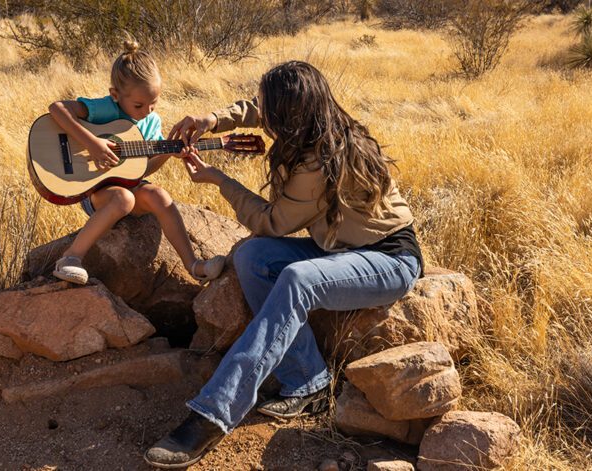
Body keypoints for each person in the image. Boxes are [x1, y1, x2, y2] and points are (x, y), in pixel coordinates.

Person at [144, 60, 424, 468]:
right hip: (340, 250)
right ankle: (308, 381)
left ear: (289, 116)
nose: (264, 116)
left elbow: (270, 222)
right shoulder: (316, 121)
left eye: (271, 110)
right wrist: (211, 119)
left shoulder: (318, 161)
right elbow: (256, 111)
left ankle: (214, 412)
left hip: (389, 259)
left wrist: (220, 180)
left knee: (296, 277)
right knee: (252, 256)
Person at [47, 39, 224, 285]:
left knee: (160, 196)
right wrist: (92, 143)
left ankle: (194, 266)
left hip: (130, 184)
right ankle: (70, 258)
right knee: (123, 199)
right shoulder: (106, 109)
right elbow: (57, 109)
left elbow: (142, 170)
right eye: (139, 105)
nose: (147, 111)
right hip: (95, 191)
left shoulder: (151, 122)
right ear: (115, 95)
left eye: (154, 103)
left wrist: (167, 153)